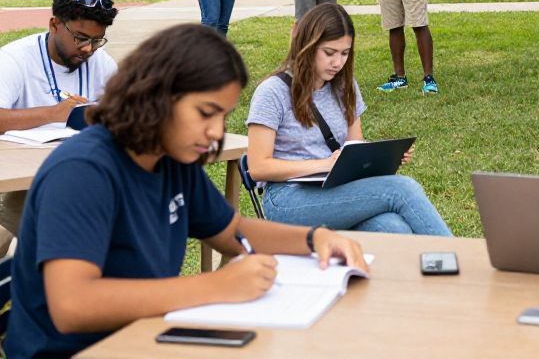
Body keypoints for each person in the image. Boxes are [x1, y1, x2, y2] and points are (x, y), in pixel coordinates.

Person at [5, 24, 366, 359]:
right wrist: (217, 285)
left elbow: (229, 231)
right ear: (156, 97)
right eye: (206, 113)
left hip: (147, 337)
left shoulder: (170, 158)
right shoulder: (84, 172)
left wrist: (314, 238)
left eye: (223, 117)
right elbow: (73, 306)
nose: (215, 132)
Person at [246, 3, 451, 235]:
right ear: (307, 46)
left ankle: (429, 268)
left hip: (337, 190)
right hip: (287, 198)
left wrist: (384, 156)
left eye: (345, 53)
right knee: (402, 189)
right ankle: (460, 260)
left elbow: (354, 148)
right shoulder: (272, 92)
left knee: (394, 228)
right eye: (329, 53)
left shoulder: (345, 86)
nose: (337, 63)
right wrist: (324, 164)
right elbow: (258, 167)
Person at [0, 0, 119, 255]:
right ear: (54, 25)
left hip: (80, 178)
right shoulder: (15, 59)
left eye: (96, 40)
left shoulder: (102, 64)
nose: (88, 49)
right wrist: (54, 113)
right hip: (22, 182)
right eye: (80, 38)